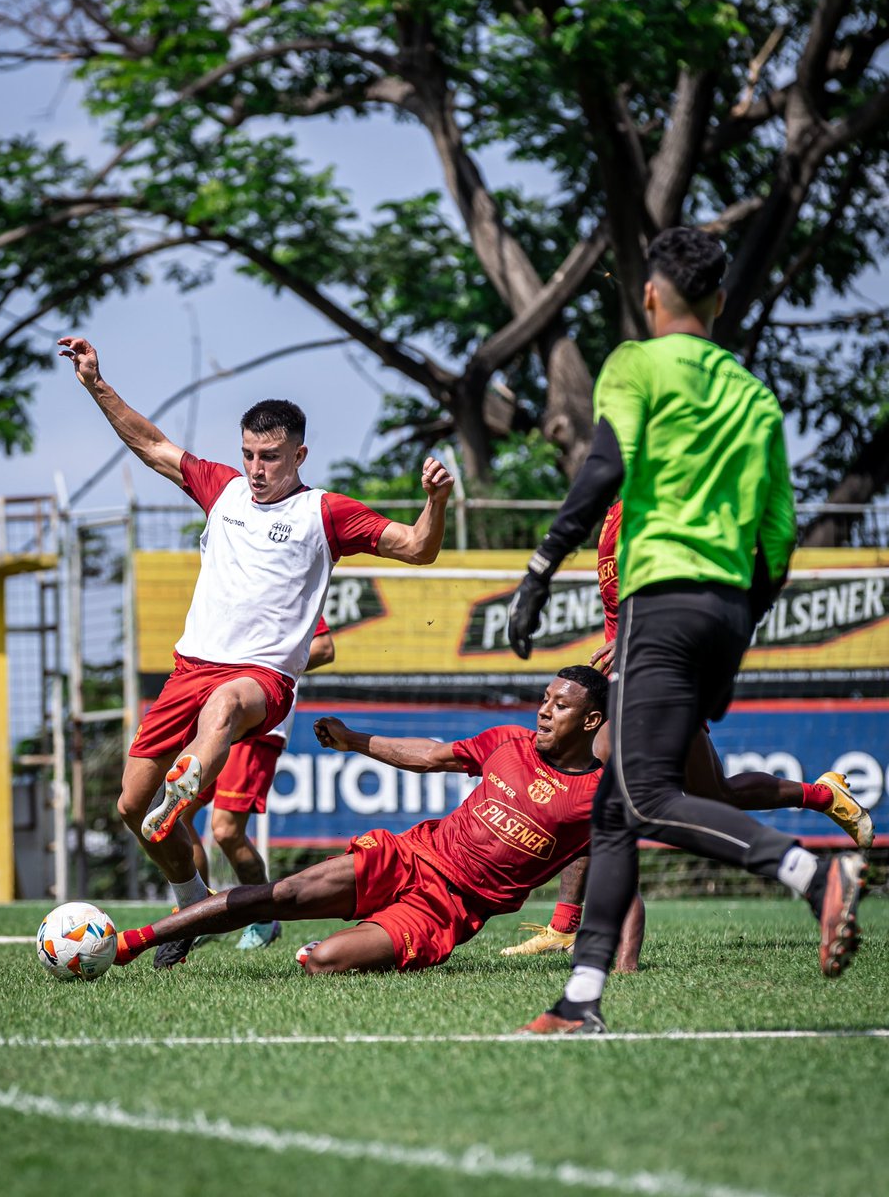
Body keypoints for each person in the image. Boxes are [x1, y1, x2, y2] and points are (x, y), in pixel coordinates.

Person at [506, 227, 867, 1034]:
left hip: (661, 602)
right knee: (612, 806)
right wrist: (737, 634)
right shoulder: (755, 396)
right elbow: (779, 538)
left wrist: (539, 567)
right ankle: (582, 1000)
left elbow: (602, 469)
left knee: (643, 797)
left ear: (649, 296)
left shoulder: (637, 364)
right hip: (730, 606)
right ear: (721, 300)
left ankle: (810, 873)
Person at [57, 336, 454, 968]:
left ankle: (184, 793)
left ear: (299, 453)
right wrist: (95, 382)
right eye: (248, 454)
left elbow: (416, 548)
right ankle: (191, 903)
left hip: (259, 679)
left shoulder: (325, 512)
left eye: (269, 456)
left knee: (224, 707)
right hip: (189, 668)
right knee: (132, 804)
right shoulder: (221, 489)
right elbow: (151, 443)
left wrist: (435, 502)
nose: (256, 468)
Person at [502, 498, 873, 957]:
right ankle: (822, 799)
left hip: (665, 669)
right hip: (632, 677)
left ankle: (593, 945)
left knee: (600, 784)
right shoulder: (617, 513)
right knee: (713, 795)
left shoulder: (671, 509)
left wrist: (641, 637)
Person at [112, 666, 644, 974]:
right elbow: (429, 755)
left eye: (561, 706)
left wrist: (624, 971)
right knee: (280, 895)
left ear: (592, 721)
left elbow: (623, 885)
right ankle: (130, 943)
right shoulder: (509, 742)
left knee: (323, 963)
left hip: (447, 909)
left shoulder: (598, 797)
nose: (545, 711)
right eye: (544, 700)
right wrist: (354, 741)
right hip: (410, 855)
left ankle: (360, 936)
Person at [181, 618, 335, 960]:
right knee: (178, 813)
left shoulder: (284, 580)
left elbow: (324, 648)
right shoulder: (228, 583)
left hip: (260, 721)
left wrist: (258, 670)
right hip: (217, 716)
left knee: (225, 831)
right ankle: (197, 915)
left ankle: (265, 918)